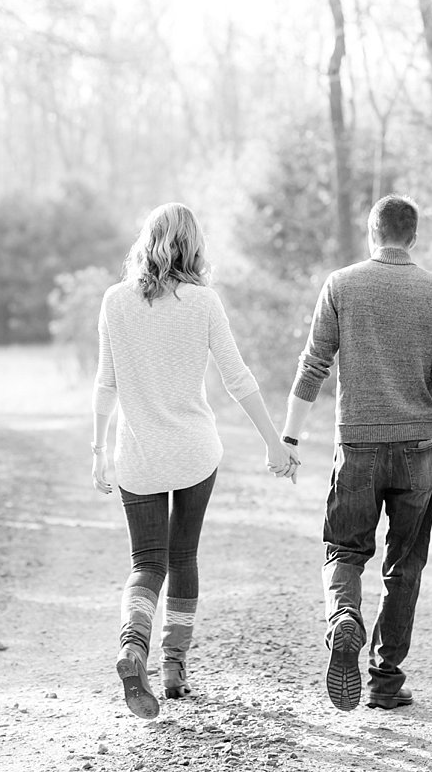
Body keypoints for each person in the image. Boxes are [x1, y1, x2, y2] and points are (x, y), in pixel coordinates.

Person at [92, 202, 297, 720]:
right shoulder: (204, 303)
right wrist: (274, 442)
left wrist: (98, 451)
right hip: (193, 453)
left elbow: (105, 384)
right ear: (193, 246)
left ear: (147, 242)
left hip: (137, 455)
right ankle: (174, 667)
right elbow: (238, 377)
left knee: (145, 564)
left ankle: (132, 648)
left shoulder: (115, 301)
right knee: (182, 559)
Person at [279, 193, 432, 713]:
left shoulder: (341, 285)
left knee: (344, 550)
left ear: (371, 232)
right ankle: (385, 682)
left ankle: (344, 617)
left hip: (357, 447)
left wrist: (290, 439)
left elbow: (313, 363)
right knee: (404, 565)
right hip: (417, 452)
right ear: (413, 237)